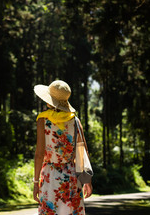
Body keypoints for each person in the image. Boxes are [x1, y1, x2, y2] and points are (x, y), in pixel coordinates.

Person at [33, 80, 93, 215]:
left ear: (49, 101)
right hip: (71, 177)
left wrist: (36, 182)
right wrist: (87, 181)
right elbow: (81, 152)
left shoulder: (43, 120)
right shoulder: (75, 121)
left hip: (50, 176)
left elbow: (39, 154)